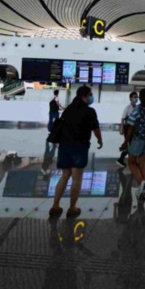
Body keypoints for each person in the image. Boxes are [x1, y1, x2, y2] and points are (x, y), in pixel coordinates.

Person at [50, 86, 102, 218]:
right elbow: (95, 128)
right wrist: (100, 140)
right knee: (76, 178)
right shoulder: (89, 111)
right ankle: (72, 208)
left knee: (64, 175)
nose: (91, 97)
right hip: (79, 147)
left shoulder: (68, 109)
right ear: (84, 96)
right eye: (90, 95)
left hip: (65, 146)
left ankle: (55, 206)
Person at [117, 91, 138, 168]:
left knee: (131, 144)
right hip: (128, 128)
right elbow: (123, 118)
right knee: (129, 143)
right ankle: (126, 160)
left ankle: (123, 159)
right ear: (130, 98)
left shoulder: (137, 107)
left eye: (137, 97)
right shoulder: (127, 108)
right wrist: (121, 128)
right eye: (134, 97)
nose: (136, 98)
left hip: (135, 128)